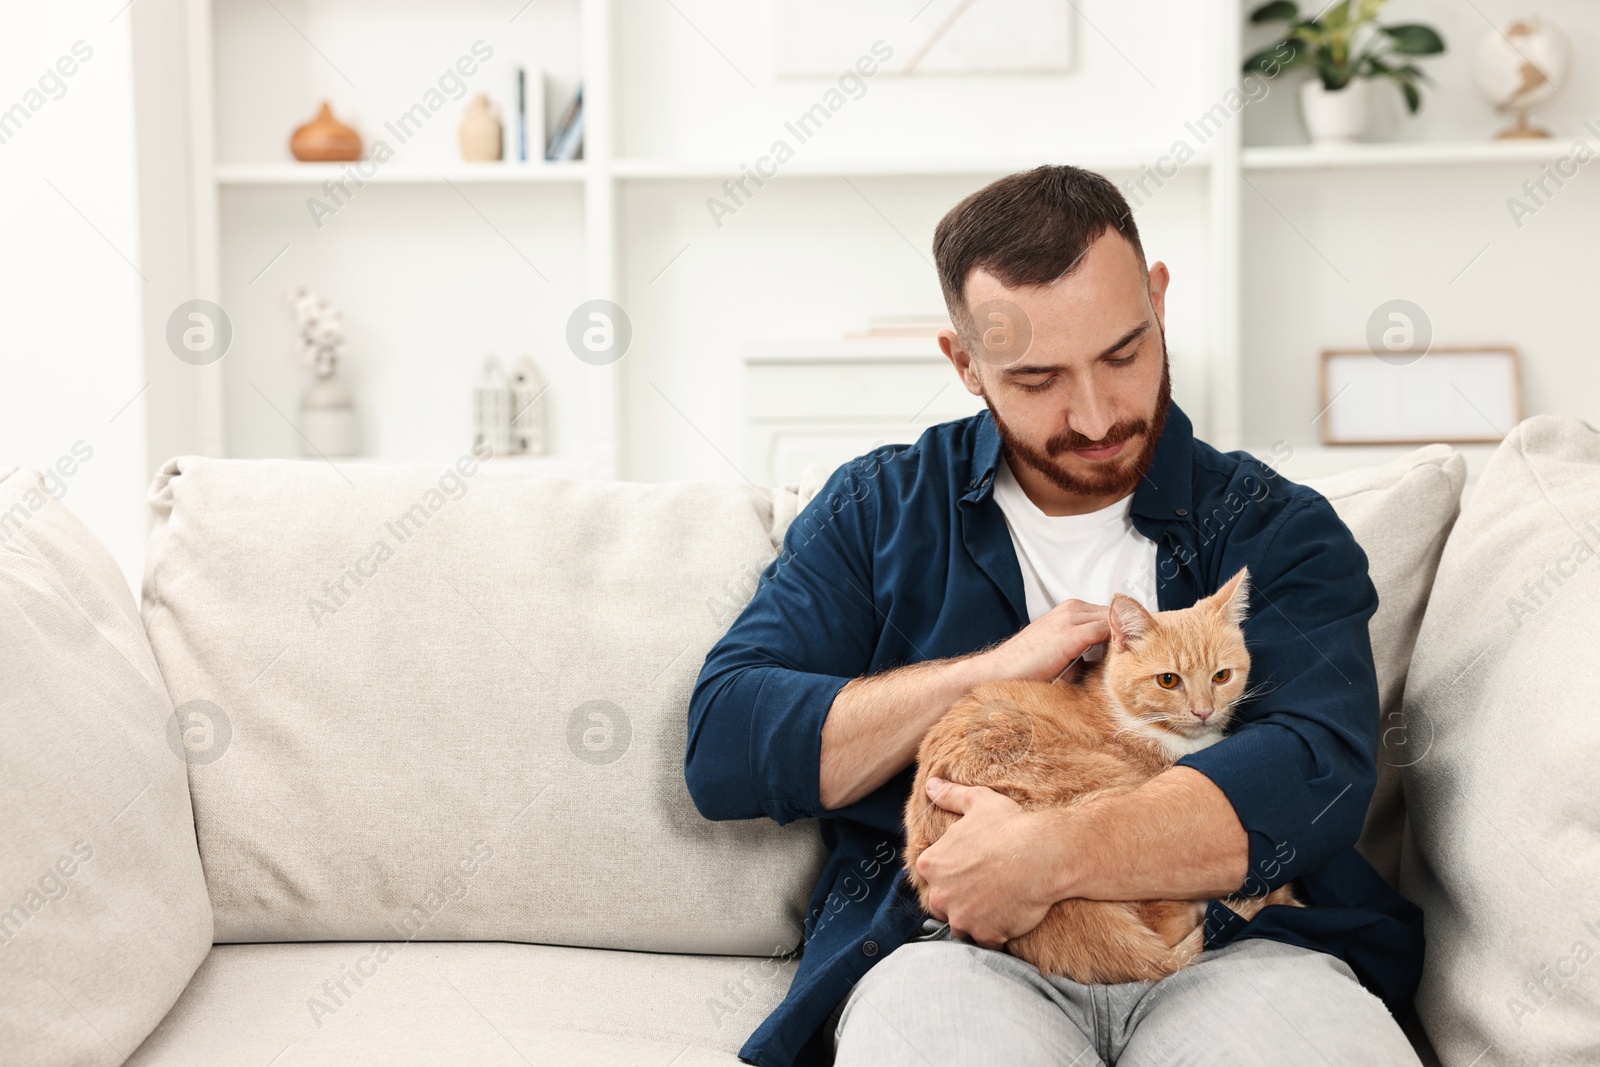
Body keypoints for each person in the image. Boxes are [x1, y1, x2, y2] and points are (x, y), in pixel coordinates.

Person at [685, 165, 1424, 1067]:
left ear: (1157, 302)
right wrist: (985, 673)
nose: (1097, 412)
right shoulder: (879, 511)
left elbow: (1321, 771)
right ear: (965, 364)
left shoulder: (1277, 529)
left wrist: (1047, 855)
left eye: (1122, 353)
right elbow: (726, 744)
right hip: (953, 953)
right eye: (1037, 378)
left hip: (1246, 948)